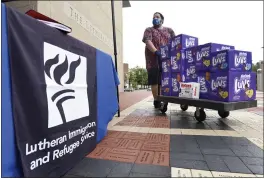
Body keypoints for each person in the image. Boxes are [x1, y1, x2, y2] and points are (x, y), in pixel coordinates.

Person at [142, 12, 175, 108]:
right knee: (155, 80)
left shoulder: (169, 30)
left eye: (157, 17)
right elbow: (147, 41)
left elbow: (175, 42)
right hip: (153, 59)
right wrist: (156, 51)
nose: (155, 18)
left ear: (162, 20)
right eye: (153, 17)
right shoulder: (149, 30)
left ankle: (164, 98)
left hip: (167, 59)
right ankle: (156, 100)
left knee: (165, 79)